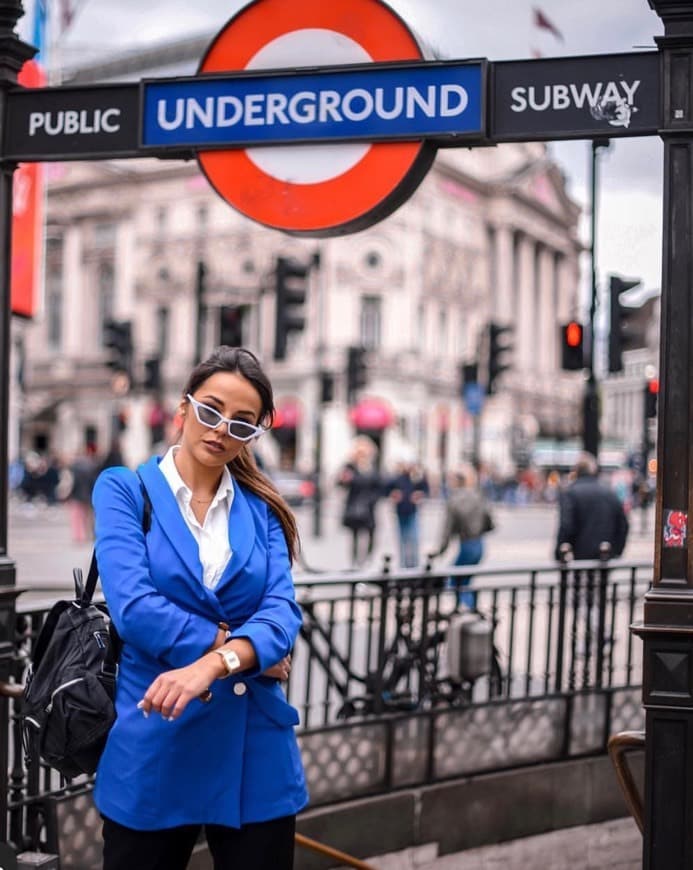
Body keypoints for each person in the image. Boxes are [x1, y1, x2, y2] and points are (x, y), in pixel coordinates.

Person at [91, 346, 308, 870]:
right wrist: (243, 648)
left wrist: (216, 663)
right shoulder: (125, 490)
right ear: (183, 410)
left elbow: (282, 613)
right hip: (157, 738)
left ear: (256, 433)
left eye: (241, 423)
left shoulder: (264, 510)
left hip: (255, 750)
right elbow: (135, 608)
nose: (220, 430)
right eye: (210, 411)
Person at [432, 463, 492, 608]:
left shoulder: (454, 500)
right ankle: (469, 611)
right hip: (479, 544)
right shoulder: (478, 496)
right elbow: (490, 521)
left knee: (455, 581)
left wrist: (439, 551)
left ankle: (468, 611)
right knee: (465, 581)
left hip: (466, 544)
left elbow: (446, 531)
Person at [554, 451, 629, 561]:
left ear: (576, 471)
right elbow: (623, 524)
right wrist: (617, 550)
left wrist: (559, 551)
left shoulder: (570, 493)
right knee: (602, 578)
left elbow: (566, 526)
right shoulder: (609, 493)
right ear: (593, 470)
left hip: (579, 554)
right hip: (604, 554)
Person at [337, 435, 382, 566]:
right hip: (354, 506)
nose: (362, 454)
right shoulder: (349, 467)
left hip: (369, 507)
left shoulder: (372, 468)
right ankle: (355, 564)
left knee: (371, 535)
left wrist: (373, 500)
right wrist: (344, 480)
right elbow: (340, 483)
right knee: (355, 537)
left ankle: (366, 561)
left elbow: (379, 487)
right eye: (360, 451)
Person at [386, 454, 429, 568]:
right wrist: (393, 495)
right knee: (403, 540)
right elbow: (387, 489)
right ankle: (403, 566)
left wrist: (420, 495)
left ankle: (414, 565)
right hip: (400, 512)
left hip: (412, 512)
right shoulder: (397, 477)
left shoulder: (417, 477)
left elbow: (425, 489)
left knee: (414, 540)